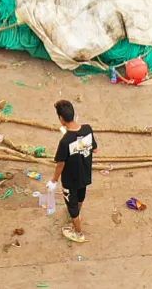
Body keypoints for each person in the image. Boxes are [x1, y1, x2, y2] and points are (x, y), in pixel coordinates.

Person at [52, 98, 97, 245]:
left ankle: (78, 233)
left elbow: (60, 164)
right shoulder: (87, 129)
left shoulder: (65, 141)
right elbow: (95, 149)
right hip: (85, 175)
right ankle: (76, 214)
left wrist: (53, 180)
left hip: (70, 180)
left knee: (71, 206)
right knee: (80, 197)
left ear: (61, 118)